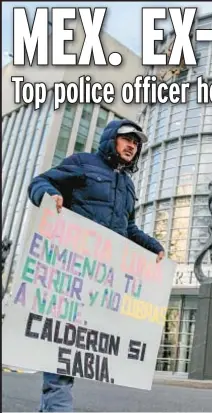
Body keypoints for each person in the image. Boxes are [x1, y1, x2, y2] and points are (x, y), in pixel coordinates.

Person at [27, 119, 165, 412]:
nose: (132, 146)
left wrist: (153, 246)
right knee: (63, 348)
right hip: (70, 271)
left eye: (137, 142)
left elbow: (128, 229)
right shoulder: (83, 162)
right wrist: (49, 196)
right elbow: (40, 181)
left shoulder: (127, 185)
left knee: (75, 349)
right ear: (111, 139)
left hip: (100, 279)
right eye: (127, 139)